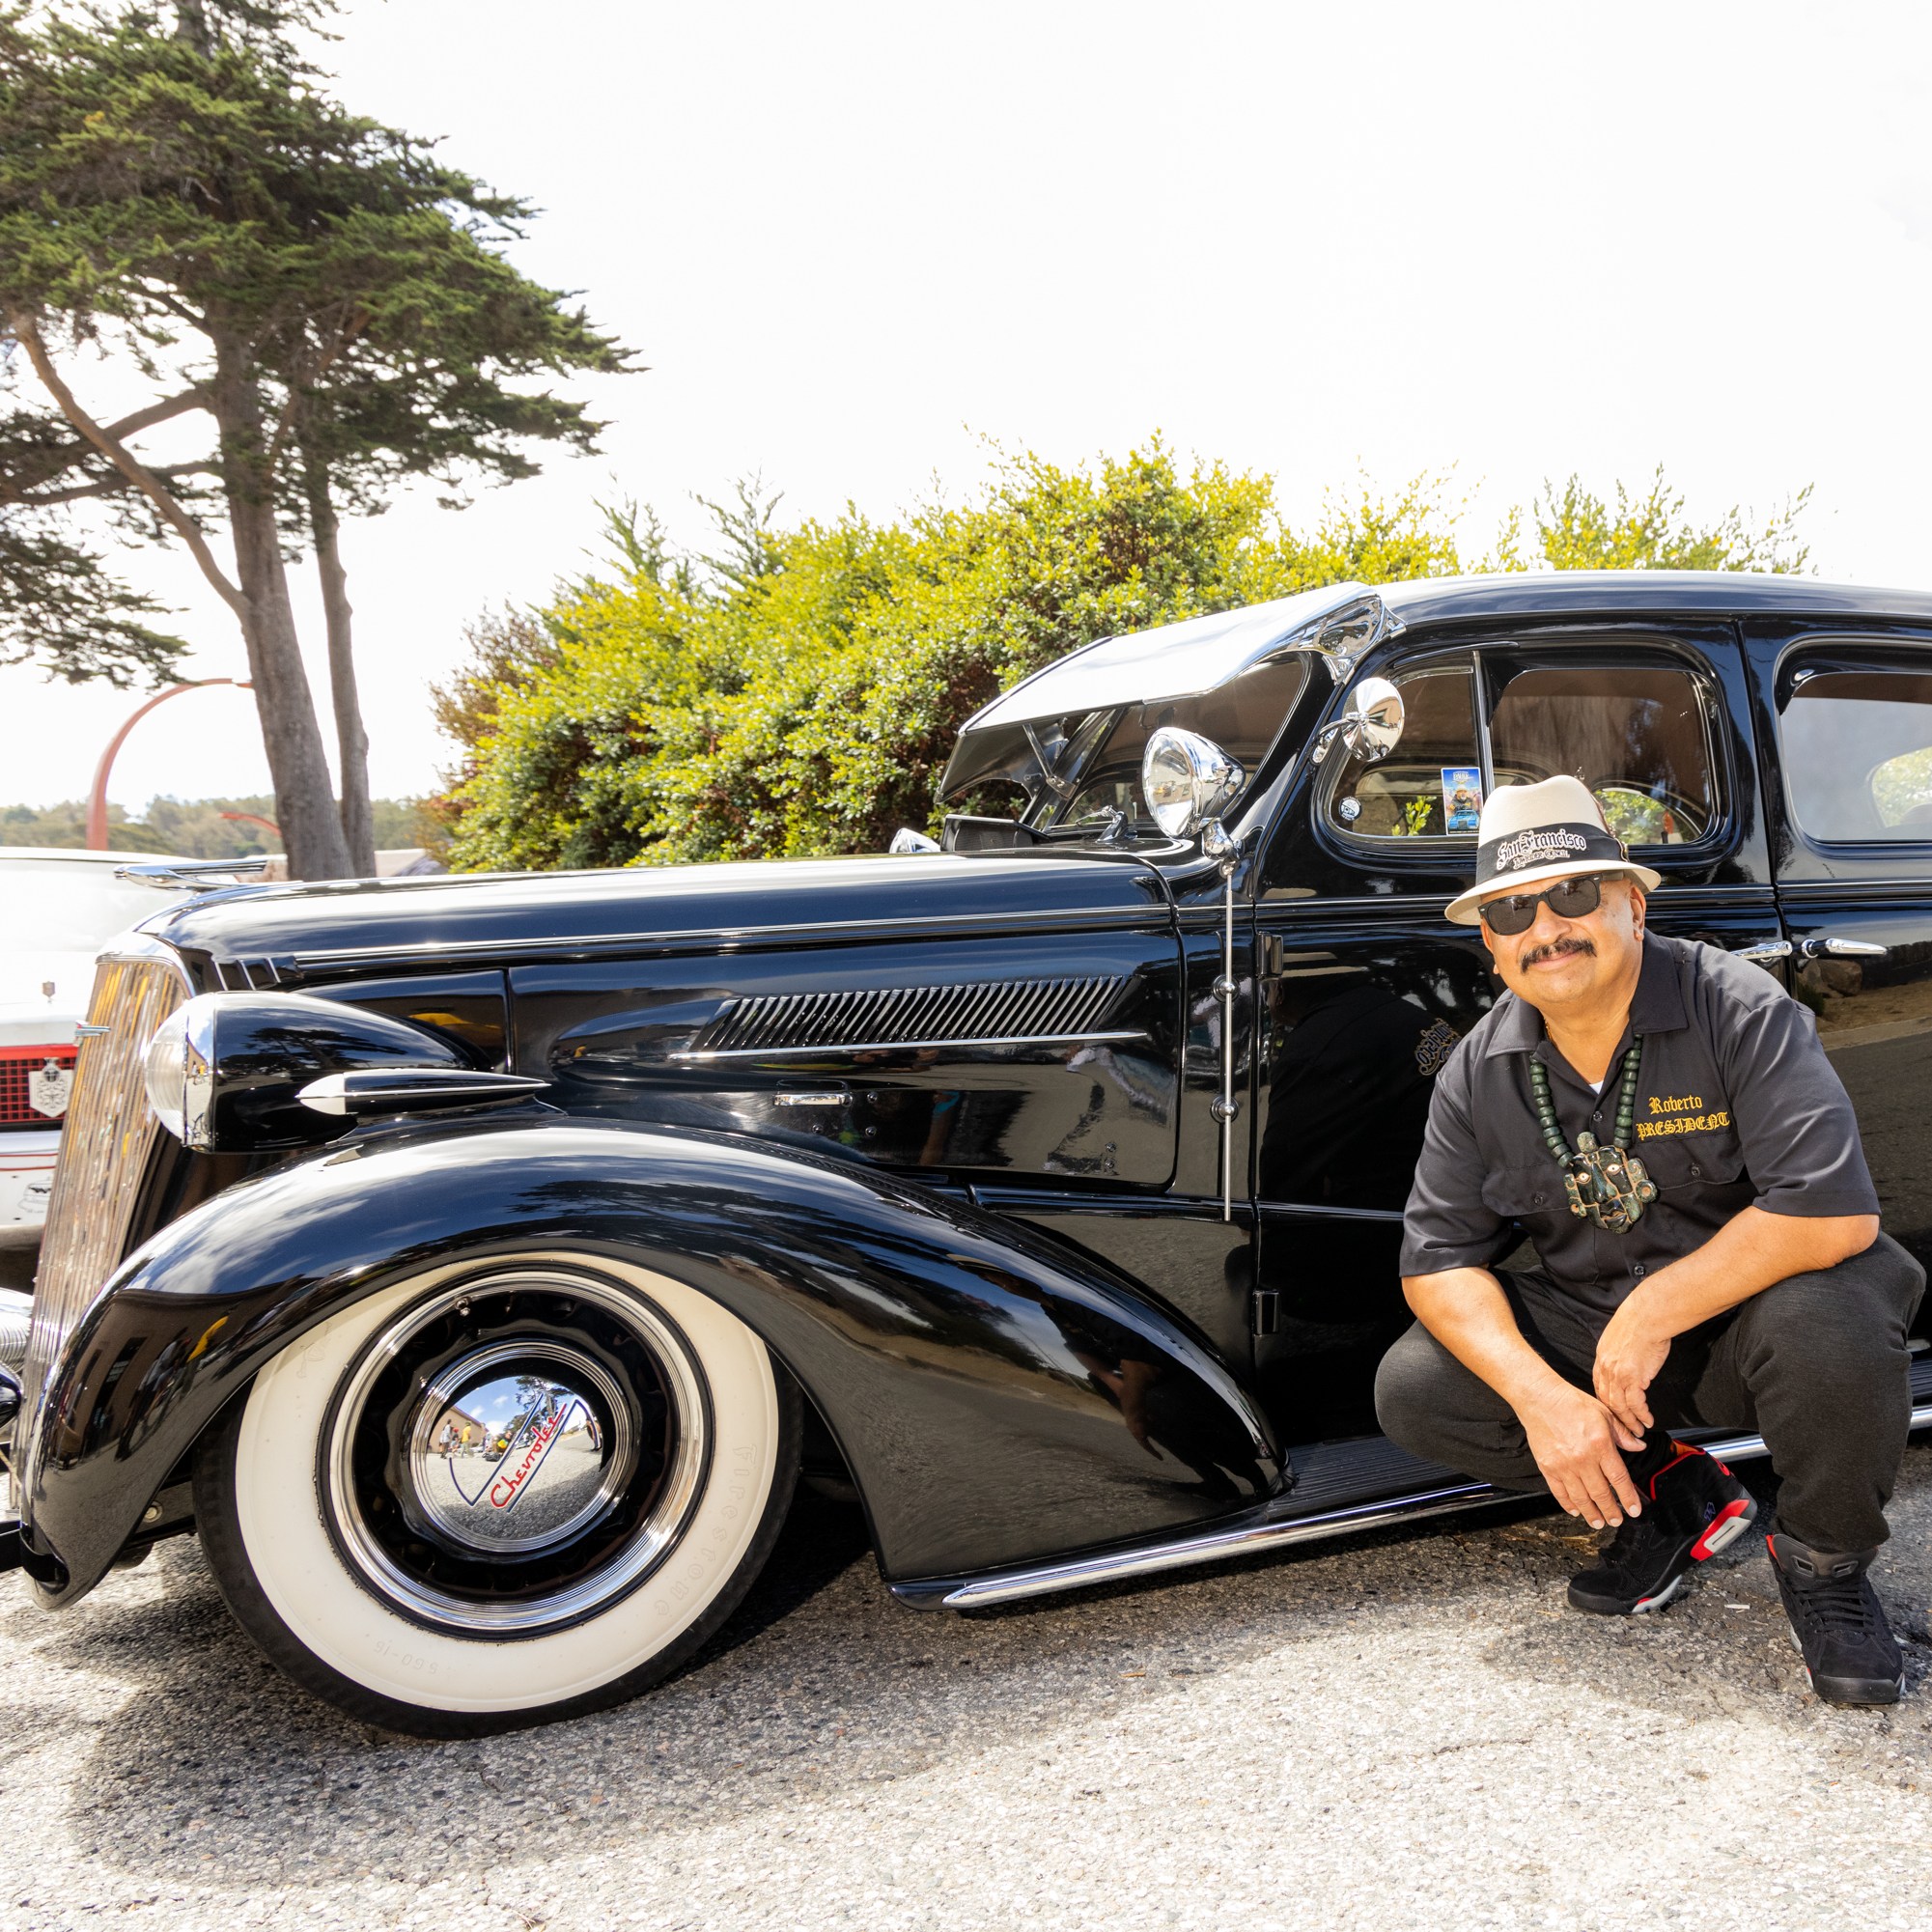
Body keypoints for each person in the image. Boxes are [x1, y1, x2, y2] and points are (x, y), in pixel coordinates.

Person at [1375, 775, 1925, 1706]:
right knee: (1420, 1385)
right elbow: (1435, 1263)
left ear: (1631, 902)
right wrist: (1543, 1398)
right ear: (1490, 942)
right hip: (1609, 1349)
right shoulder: (1475, 1070)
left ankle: (1826, 1567)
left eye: (1573, 893)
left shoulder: (1734, 1006)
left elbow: (1831, 1210)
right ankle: (1671, 1496)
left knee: (1829, 1329)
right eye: (1512, 909)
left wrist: (1651, 1308)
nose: (1546, 925)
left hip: (1757, 1324)